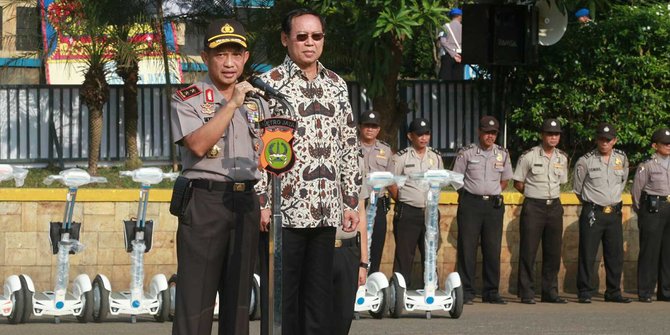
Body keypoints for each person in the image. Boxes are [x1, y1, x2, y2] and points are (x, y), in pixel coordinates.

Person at [256, 8, 361, 334]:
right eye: (301, 36)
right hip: (284, 212)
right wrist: (262, 200)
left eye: (316, 36)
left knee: (319, 300)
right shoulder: (269, 85)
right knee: (283, 300)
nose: (309, 43)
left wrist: (351, 200)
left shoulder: (337, 85)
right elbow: (258, 147)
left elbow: (348, 144)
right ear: (285, 39)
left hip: (326, 210)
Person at [170, 19, 267, 335]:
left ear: (245, 57)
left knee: (239, 300)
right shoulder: (188, 97)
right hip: (205, 202)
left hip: (245, 202)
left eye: (236, 54)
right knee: (195, 298)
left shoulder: (258, 101)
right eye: (220, 54)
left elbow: (267, 156)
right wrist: (231, 104)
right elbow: (197, 144)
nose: (229, 63)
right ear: (205, 57)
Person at [453, 115, 512, 305]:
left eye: (493, 133)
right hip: (471, 204)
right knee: (467, 248)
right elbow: (456, 179)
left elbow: (505, 180)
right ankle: (467, 292)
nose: (490, 136)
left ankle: (491, 291)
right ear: (479, 132)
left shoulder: (503, 154)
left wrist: (491, 192)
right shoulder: (467, 153)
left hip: (493, 206)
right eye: (487, 132)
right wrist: (470, 195)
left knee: (492, 248)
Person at [573, 123, 632, 304]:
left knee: (615, 254)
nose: (604, 142)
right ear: (596, 139)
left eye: (608, 139)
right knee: (587, 252)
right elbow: (577, 189)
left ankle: (613, 291)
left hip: (613, 212)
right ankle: (584, 291)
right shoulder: (586, 160)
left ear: (614, 140)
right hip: (593, 212)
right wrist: (593, 203)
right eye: (601, 139)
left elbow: (622, 181)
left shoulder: (621, 158)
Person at [513, 118, 569, 304]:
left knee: (553, 251)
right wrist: (533, 194)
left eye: (556, 134)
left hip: (554, 206)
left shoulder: (562, 157)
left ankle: (550, 291)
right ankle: (527, 292)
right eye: (549, 134)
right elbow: (518, 182)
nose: (553, 137)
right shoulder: (529, 156)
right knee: (529, 250)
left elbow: (562, 182)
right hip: (534, 206)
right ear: (542, 135)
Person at [388, 117, 444, 288]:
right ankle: (399, 292)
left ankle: (430, 290)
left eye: (426, 134)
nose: (423, 138)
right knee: (404, 255)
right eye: (419, 134)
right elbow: (392, 183)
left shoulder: (435, 157)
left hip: (430, 212)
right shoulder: (401, 158)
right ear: (410, 136)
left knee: (430, 253)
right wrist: (405, 198)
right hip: (408, 212)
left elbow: (441, 181)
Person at [631, 128, 670, 303]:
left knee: (667, 252)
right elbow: (636, 192)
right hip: (652, 209)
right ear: (655, 145)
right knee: (650, 251)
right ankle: (645, 291)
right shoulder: (646, 165)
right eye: (665, 143)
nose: (668, 146)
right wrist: (643, 213)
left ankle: (665, 291)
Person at [332, 155, 369, 335]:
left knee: (344, 316)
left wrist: (363, 262)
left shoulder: (357, 161)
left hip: (348, 248)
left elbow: (361, 211)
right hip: (320, 246)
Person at [359, 110, 393, 273]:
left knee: (377, 244)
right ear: (360, 127)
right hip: (356, 204)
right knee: (355, 245)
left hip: (377, 204)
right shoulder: (352, 146)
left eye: (374, 126)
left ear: (378, 129)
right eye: (367, 125)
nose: (370, 129)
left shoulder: (385, 150)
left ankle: (372, 280)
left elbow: (391, 179)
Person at [438, 8, 463, 81]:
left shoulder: (445, 27)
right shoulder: (464, 28)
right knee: (458, 78)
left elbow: (443, 41)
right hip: (460, 56)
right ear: (460, 16)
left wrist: (453, 54)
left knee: (445, 78)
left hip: (448, 54)